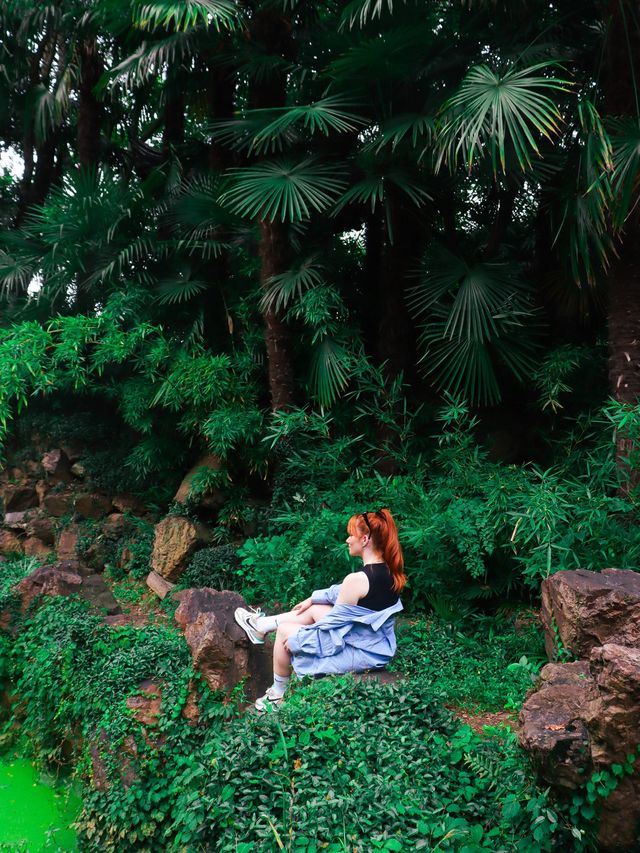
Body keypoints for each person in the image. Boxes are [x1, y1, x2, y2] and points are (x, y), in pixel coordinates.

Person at [234, 508, 406, 711]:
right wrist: (312, 598)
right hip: (370, 639)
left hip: (364, 650)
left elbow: (331, 628)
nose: (347, 540)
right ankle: (260, 626)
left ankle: (277, 695)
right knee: (316, 607)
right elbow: (339, 593)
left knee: (284, 632)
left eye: (351, 535)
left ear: (365, 539)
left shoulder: (358, 579)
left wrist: (299, 640)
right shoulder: (389, 571)